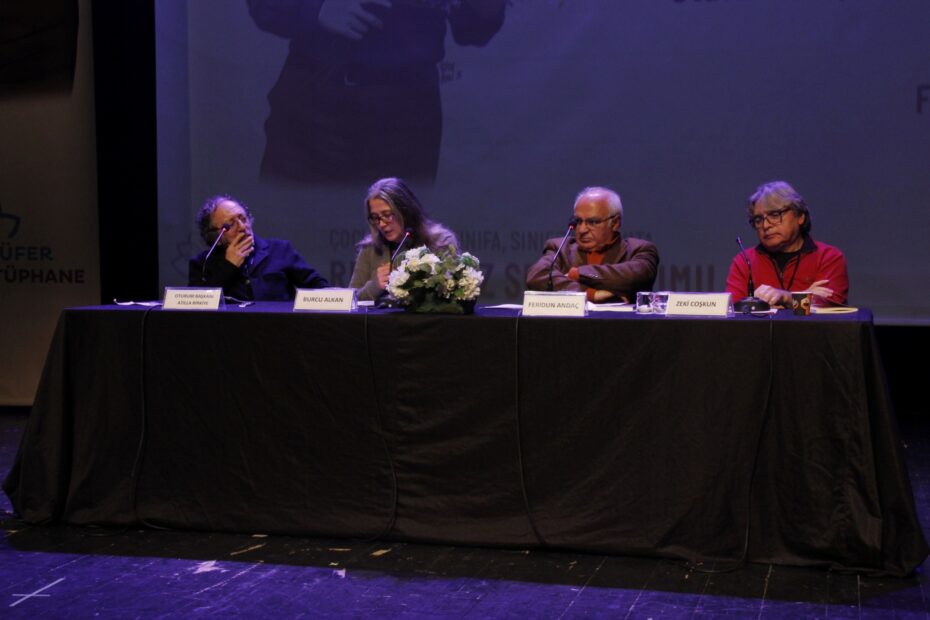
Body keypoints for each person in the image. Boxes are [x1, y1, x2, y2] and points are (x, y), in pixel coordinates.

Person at [247, 0, 507, 184]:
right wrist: (317, 8)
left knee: (402, 236)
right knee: (292, 218)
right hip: (313, 108)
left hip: (408, 116)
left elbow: (474, 28)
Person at [526, 187, 659, 303]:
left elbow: (633, 278)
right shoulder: (560, 248)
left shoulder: (639, 250)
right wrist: (589, 294)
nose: (582, 229)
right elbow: (537, 276)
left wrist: (579, 273)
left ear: (615, 223)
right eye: (578, 221)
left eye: (593, 222)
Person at [726, 181, 848, 307]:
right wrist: (804, 296)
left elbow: (830, 304)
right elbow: (734, 310)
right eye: (758, 219)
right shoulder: (744, 262)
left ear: (800, 216)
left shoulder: (828, 257)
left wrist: (786, 298)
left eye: (775, 215)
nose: (765, 225)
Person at [188, 195, 328, 300]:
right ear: (214, 237)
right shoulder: (202, 264)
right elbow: (199, 305)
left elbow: (318, 286)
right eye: (230, 224)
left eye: (243, 219)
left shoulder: (280, 250)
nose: (242, 227)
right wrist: (228, 266)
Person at [349, 177, 458, 301]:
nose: (381, 224)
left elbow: (452, 294)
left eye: (387, 215)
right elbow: (349, 300)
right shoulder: (370, 249)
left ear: (405, 210)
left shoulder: (441, 242)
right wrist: (374, 287)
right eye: (375, 217)